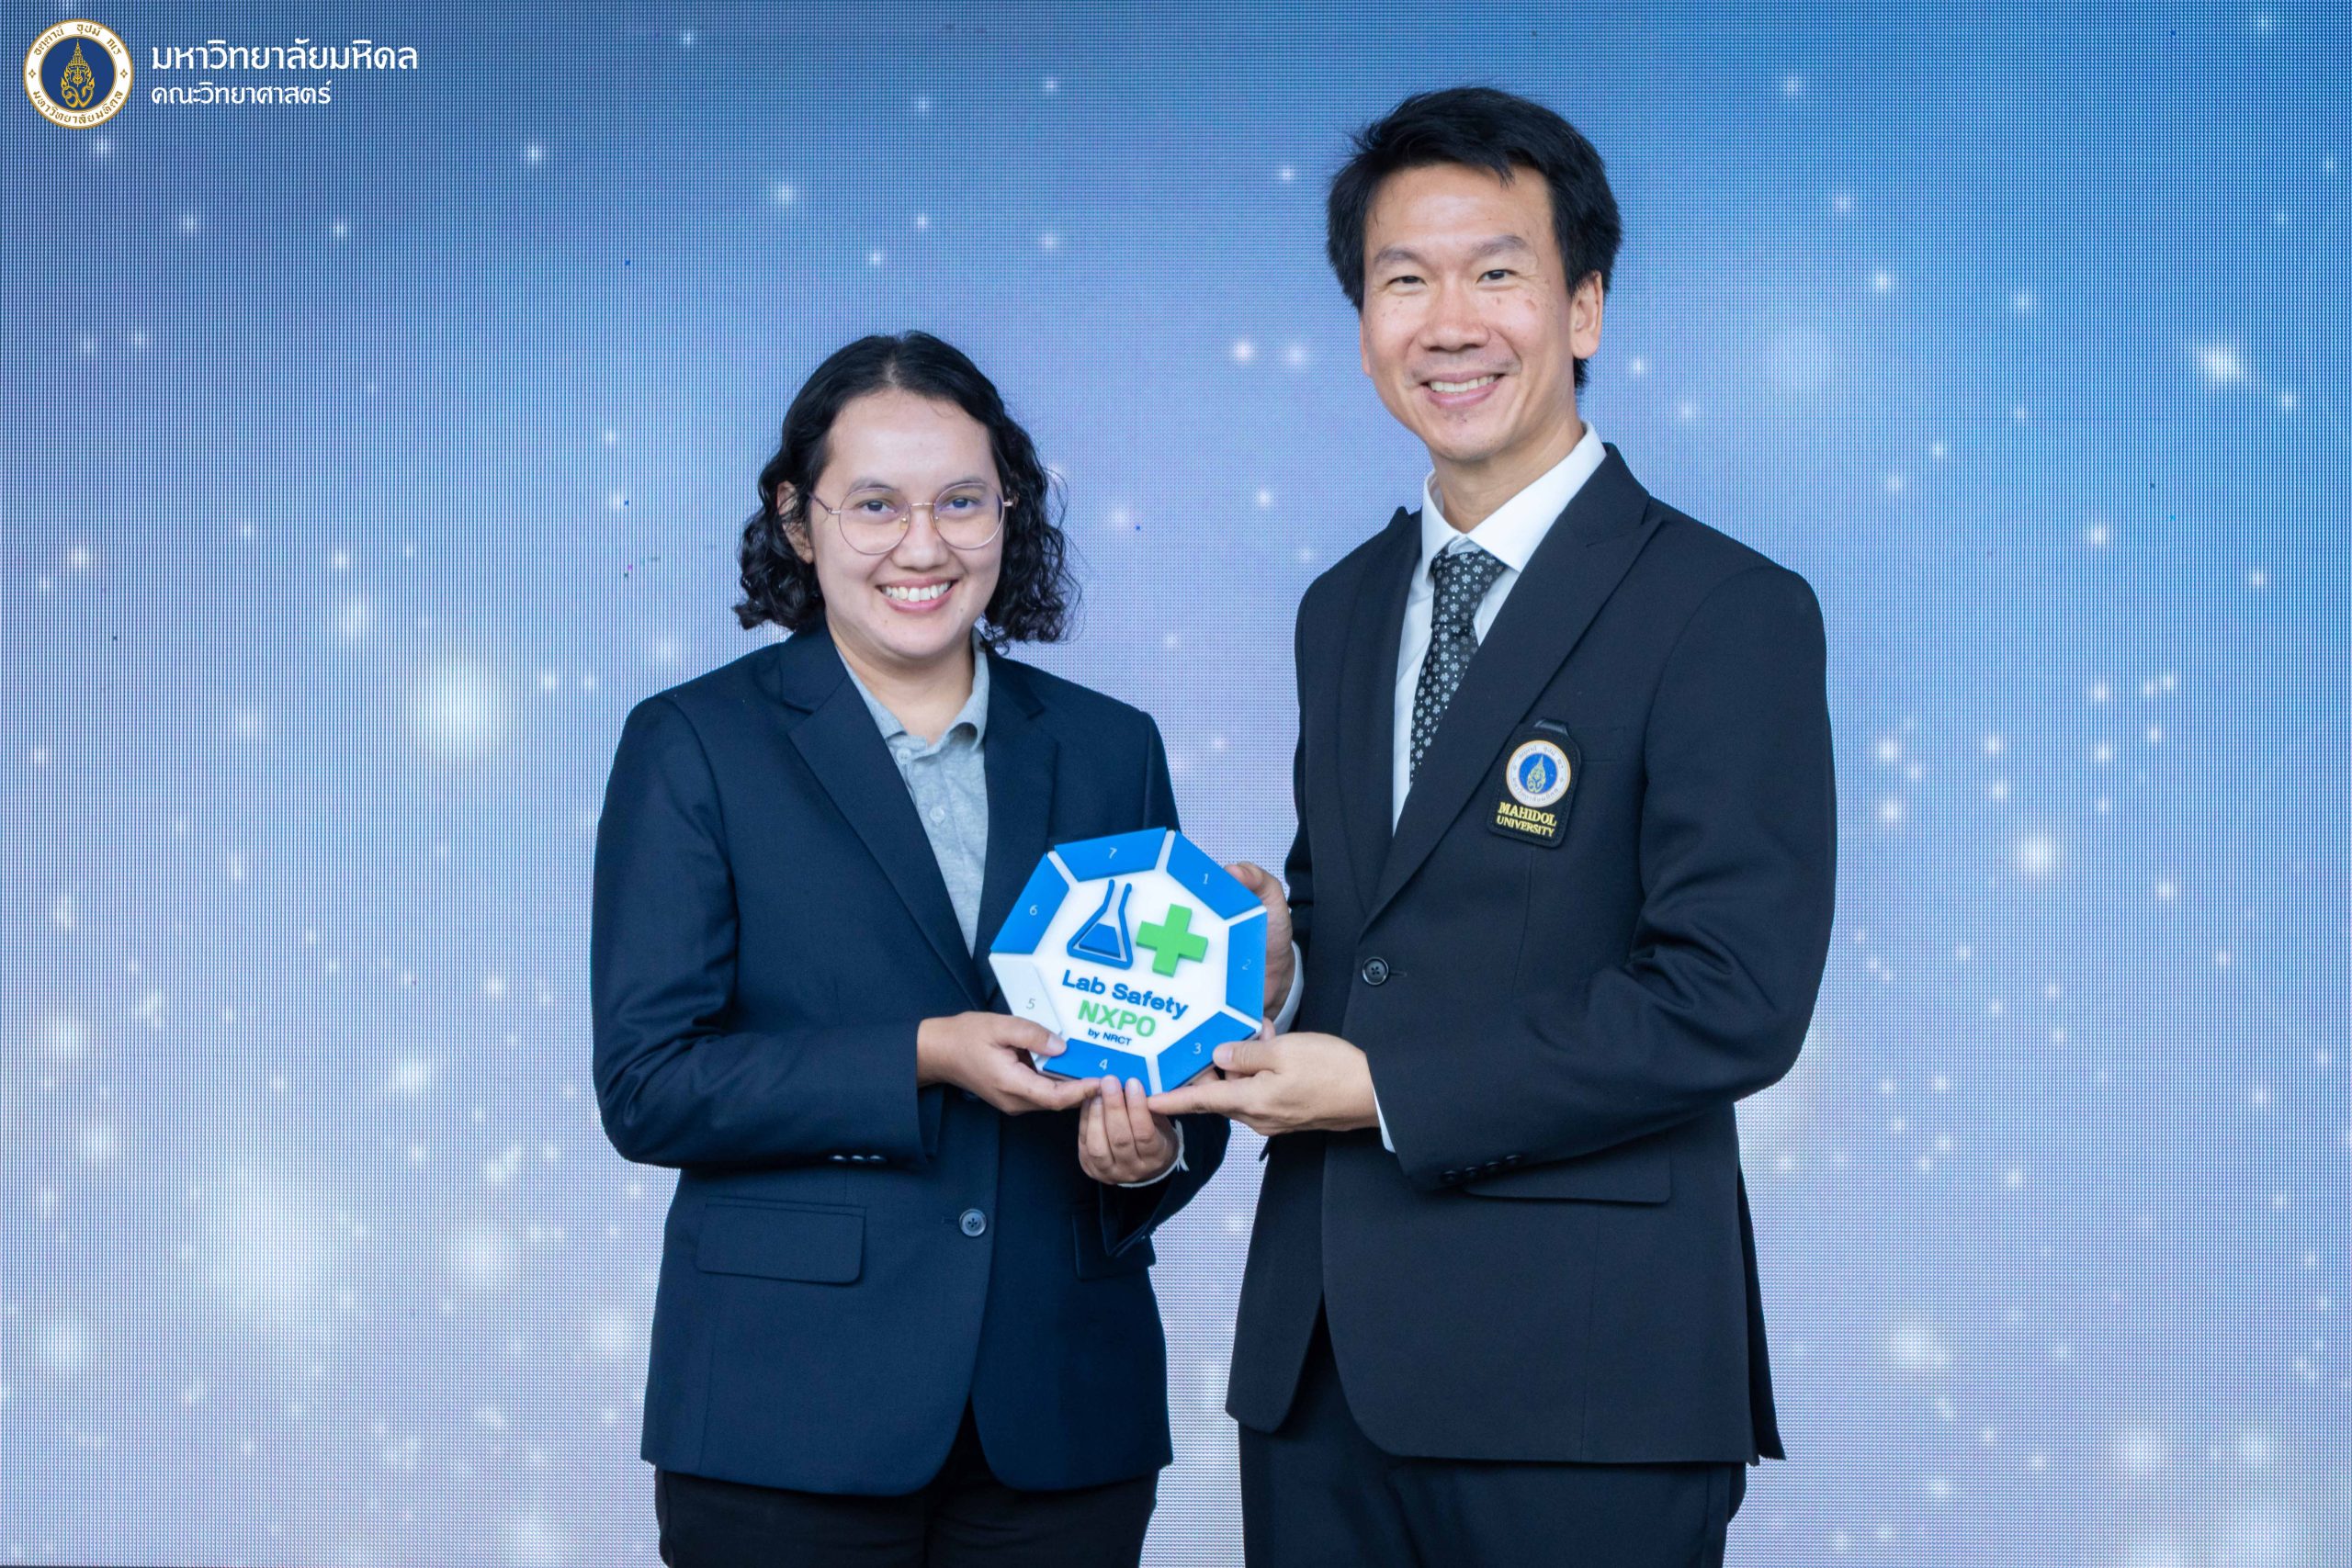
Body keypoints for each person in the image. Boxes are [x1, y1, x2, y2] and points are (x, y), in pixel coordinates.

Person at [1149, 88, 1837, 1565]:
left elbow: (1734, 996)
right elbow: (1375, 922)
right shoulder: (1343, 606)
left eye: (1497, 272)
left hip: (1583, 1378)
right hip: (1321, 1369)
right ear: (1362, 324)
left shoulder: (1725, 610)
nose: (1448, 322)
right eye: (1404, 279)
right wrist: (1277, 960)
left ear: (1584, 307)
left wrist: (1382, 1088)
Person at [592, 332, 1247, 1566]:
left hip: (1063, 1408)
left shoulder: (1111, 749)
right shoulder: (696, 745)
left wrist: (1154, 1153)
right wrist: (923, 1056)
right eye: (875, 505)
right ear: (797, 519)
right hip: (789, 1413)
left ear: (1011, 511)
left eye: (962, 501)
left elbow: (1178, 1049)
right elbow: (649, 1085)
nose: (924, 546)